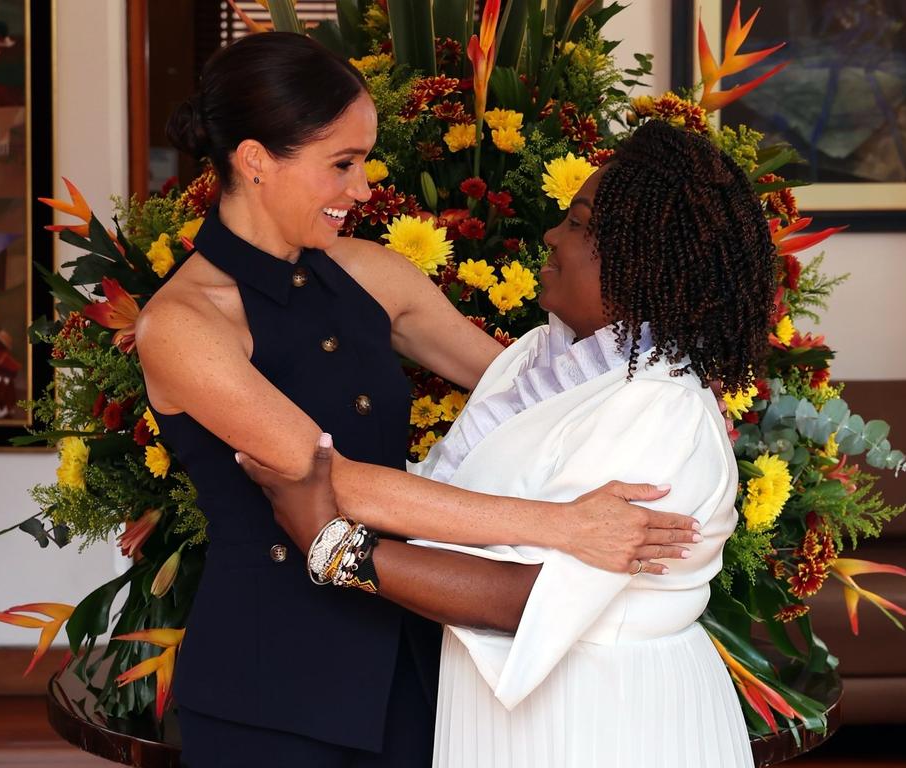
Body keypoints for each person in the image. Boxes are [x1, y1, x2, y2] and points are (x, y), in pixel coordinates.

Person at [136, 33, 700, 766]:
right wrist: (565, 527)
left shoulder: (371, 271)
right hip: (272, 682)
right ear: (254, 161)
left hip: (415, 660)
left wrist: (675, 385)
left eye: (364, 162)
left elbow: (539, 390)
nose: (364, 189)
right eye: (341, 164)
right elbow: (333, 481)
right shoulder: (181, 325)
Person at [239, 119, 776, 767]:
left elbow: (527, 599)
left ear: (637, 259)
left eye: (577, 222)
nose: (552, 234)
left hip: (607, 720)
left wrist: (333, 545)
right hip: (509, 705)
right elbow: (449, 501)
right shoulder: (536, 359)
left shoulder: (660, 410)